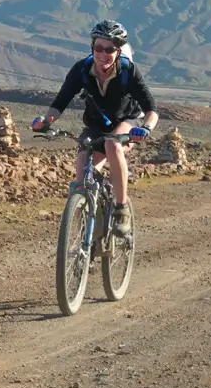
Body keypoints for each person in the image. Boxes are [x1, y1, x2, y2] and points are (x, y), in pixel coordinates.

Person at [31, 20, 159, 237]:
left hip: (128, 121)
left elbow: (151, 110)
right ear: (92, 47)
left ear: (118, 51)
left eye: (109, 50)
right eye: (99, 48)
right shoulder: (81, 69)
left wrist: (146, 128)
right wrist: (47, 121)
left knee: (112, 145)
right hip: (96, 125)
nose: (103, 54)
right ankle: (87, 237)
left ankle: (121, 209)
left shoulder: (129, 71)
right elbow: (61, 101)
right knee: (82, 172)